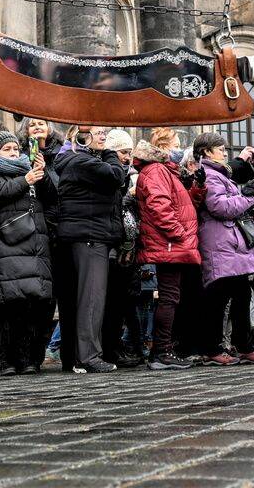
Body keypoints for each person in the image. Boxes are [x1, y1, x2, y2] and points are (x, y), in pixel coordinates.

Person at [0, 130, 57, 376]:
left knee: (26, 303)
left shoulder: (28, 169)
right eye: (6, 149)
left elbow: (52, 197)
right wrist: (25, 180)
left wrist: (45, 172)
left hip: (30, 246)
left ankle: (24, 359)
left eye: (15, 149)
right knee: (0, 305)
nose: (13, 153)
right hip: (2, 246)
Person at [53, 125, 127, 374]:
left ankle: (80, 356)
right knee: (92, 297)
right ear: (81, 137)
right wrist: (109, 152)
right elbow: (117, 175)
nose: (104, 137)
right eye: (98, 133)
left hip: (86, 234)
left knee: (85, 297)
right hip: (89, 235)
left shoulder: (75, 161)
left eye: (105, 133)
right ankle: (88, 356)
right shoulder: (82, 161)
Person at [192, 132, 254, 366]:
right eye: (221, 148)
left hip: (231, 244)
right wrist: (249, 198)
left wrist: (248, 195)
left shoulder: (220, 173)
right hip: (220, 243)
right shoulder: (211, 175)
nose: (225, 152)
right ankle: (212, 348)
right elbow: (219, 207)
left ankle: (244, 346)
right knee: (218, 298)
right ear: (207, 152)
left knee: (242, 296)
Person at [133, 135, 201, 370]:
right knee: (169, 297)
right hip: (169, 243)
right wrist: (178, 232)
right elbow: (158, 204)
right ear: (161, 148)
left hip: (170, 242)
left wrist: (198, 188)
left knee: (171, 296)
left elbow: (181, 203)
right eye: (174, 143)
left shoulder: (164, 171)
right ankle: (161, 352)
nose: (178, 148)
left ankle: (162, 350)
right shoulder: (156, 170)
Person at [100, 129, 143, 368]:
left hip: (130, 247)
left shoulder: (132, 175)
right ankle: (110, 348)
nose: (127, 157)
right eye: (123, 152)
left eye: (129, 152)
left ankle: (122, 347)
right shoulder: (109, 172)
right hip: (111, 248)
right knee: (112, 303)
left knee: (126, 302)